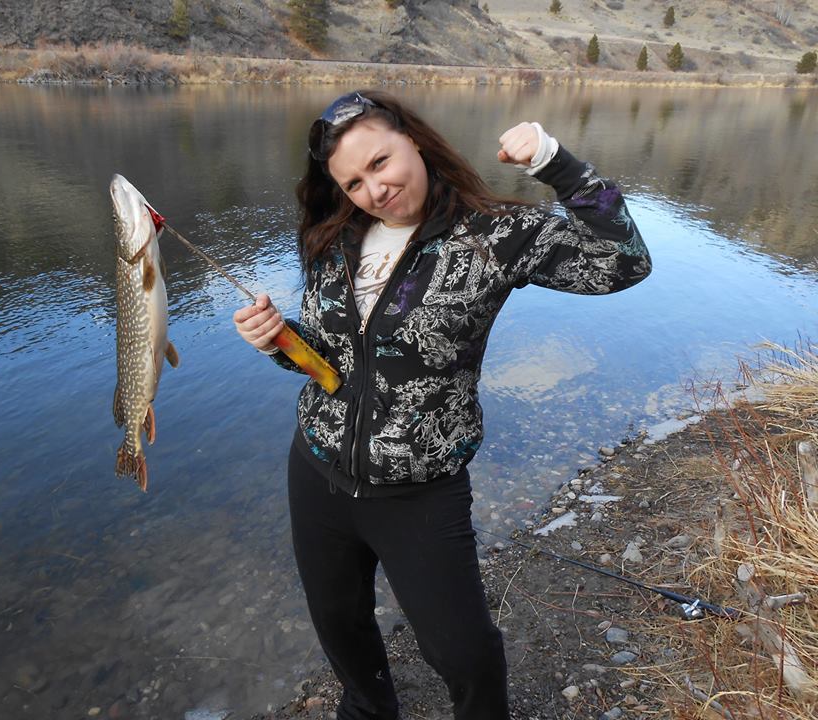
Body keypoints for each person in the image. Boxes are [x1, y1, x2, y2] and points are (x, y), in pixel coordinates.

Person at [233, 90, 651, 720]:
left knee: (464, 652)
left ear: (416, 142)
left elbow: (626, 262)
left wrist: (555, 162)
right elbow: (331, 361)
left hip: (419, 491)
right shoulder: (332, 237)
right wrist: (277, 340)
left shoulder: (495, 235)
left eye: (380, 163)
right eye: (352, 181)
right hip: (316, 472)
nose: (373, 188)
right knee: (341, 629)